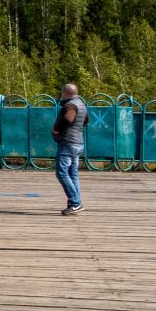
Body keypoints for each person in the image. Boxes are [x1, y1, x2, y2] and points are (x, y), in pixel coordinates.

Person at [52, 84, 87, 215]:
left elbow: (67, 118)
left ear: (66, 93)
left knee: (61, 173)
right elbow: (86, 120)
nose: (61, 94)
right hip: (78, 143)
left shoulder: (70, 105)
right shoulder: (81, 104)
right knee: (73, 174)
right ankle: (74, 203)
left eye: (62, 92)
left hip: (68, 143)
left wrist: (56, 128)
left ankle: (76, 202)